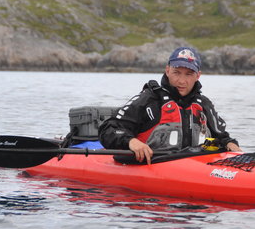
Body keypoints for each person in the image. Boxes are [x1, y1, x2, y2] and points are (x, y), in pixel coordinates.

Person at [99, 46, 241, 164]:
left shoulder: (203, 104)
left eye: (188, 74)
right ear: (167, 71)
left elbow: (222, 137)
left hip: (194, 167)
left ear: (198, 75)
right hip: (150, 166)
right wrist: (131, 141)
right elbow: (108, 129)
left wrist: (231, 144)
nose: (182, 81)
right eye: (176, 73)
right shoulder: (149, 100)